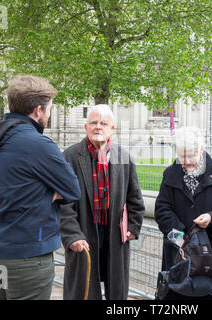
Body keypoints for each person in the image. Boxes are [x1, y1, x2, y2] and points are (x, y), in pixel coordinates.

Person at [0, 75, 81, 300]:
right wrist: (46, 193)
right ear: (38, 110)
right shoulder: (37, 144)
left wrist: (36, 192)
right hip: (27, 259)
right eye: (49, 109)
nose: (49, 114)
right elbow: (73, 190)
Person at [60, 104, 145, 300]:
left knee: (117, 289)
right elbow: (63, 204)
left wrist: (133, 226)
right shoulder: (70, 157)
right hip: (84, 231)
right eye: (93, 122)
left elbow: (135, 198)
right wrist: (72, 235)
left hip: (114, 233)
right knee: (83, 289)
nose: (98, 127)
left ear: (112, 128)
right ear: (85, 126)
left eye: (103, 123)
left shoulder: (123, 157)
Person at [154, 126, 212, 299]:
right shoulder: (170, 174)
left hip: (210, 256)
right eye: (181, 156)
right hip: (178, 255)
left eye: (190, 155)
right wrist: (180, 237)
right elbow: (162, 209)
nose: (186, 161)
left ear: (201, 149)